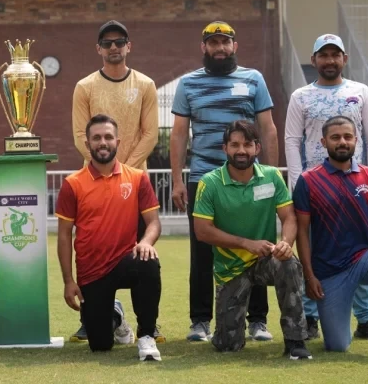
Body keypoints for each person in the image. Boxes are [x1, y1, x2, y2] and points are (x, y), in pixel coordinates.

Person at [170, 21, 279, 342]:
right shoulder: (188, 84)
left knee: (258, 246)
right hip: (204, 178)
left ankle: (258, 320)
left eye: (225, 42)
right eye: (213, 43)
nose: (220, 48)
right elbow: (178, 134)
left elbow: (268, 128)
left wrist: (271, 177)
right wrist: (177, 180)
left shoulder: (253, 78)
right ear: (203, 47)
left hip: (251, 180)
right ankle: (200, 321)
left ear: (235, 46)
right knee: (202, 250)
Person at [285, 34, 368, 341]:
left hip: (356, 184)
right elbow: (292, 139)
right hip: (315, 187)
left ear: (344, 59)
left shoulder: (360, 91)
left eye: (335, 55)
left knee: (361, 247)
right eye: (323, 55)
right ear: (314, 60)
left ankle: (366, 318)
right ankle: (310, 316)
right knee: (311, 247)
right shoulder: (301, 96)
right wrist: (297, 182)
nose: (330, 60)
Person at [70, 20, 163, 343]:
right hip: (92, 185)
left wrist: (123, 170)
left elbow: (151, 134)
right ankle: (96, 315)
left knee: (142, 255)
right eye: (106, 43)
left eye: (119, 42)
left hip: (134, 185)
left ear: (128, 46)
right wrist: (104, 166)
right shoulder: (85, 87)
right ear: (98, 48)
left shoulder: (146, 84)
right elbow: (81, 136)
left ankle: (148, 326)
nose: (113, 47)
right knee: (91, 250)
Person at [192, 120, 311, 359]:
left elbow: (289, 217)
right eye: (234, 145)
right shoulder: (210, 183)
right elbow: (202, 231)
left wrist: (286, 243)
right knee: (228, 345)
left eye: (247, 144)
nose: (241, 150)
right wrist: (246, 243)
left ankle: (296, 341)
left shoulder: (271, 176)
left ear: (257, 148)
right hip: (231, 269)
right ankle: (227, 331)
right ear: (224, 148)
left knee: (288, 263)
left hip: (265, 260)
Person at [293, 116, 368, 359]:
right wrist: (310, 275)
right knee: (337, 345)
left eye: (348, 136)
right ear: (324, 142)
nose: (342, 142)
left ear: (356, 140)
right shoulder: (308, 181)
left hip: (364, 259)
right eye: (335, 137)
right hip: (329, 272)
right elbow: (302, 231)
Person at [56, 114, 163, 361]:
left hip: (125, 260)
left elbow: (154, 223)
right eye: (96, 138)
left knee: (147, 261)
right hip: (91, 272)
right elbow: (63, 236)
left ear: (117, 141)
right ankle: (116, 317)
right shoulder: (72, 184)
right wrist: (68, 281)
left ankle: (146, 336)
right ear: (88, 144)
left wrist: (146, 242)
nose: (102, 142)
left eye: (107, 137)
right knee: (100, 345)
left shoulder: (137, 178)